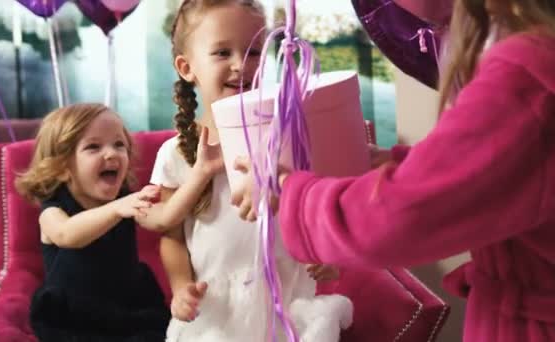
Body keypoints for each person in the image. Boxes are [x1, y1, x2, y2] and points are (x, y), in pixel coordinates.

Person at [233, 0, 555, 341]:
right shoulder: (531, 53)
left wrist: (288, 193)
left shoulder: (524, 72)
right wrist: (402, 164)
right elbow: (502, 172)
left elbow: (399, 218)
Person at [135, 1, 352, 341]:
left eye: (254, 52)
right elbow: (172, 237)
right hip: (217, 315)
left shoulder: (290, 141)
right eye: (222, 52)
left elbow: (313, 207)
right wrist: (180, 287)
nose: (242, 65)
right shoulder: (175, 155)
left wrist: (326, 254)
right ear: (186, 67)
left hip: (286, 304)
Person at [16, 103, 170, 341]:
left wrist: (198, 177)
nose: (111, 153)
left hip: (129, 308)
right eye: (93, 147)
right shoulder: (53, 211)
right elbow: (67, 235)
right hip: (75, 318)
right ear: (62, 167)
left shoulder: (125, 202)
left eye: (119, 144)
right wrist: (116, 209)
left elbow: (163, 219)